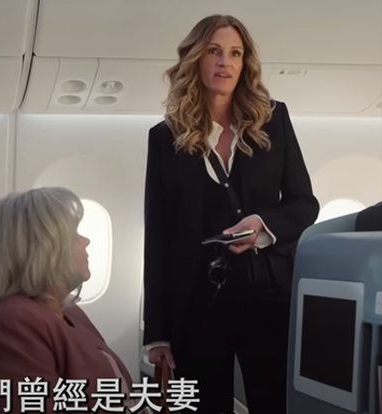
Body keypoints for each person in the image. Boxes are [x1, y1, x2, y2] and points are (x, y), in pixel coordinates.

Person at [143, 15, 319, 414]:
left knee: (273, 403)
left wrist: (263, 226)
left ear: (245, 63)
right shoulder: (165, 136)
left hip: (265, 296)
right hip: (195, 302)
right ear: (196, 58)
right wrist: (157, 334)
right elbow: (159, 236)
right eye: (214, 51)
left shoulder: (273, 119)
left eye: (235, 53)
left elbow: (304, 203)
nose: (225, 62)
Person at [0, 187, 134, 413]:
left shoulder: (70, 312)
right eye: (74, 235)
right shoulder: (14, 322)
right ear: (43, 247)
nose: (86, 241)